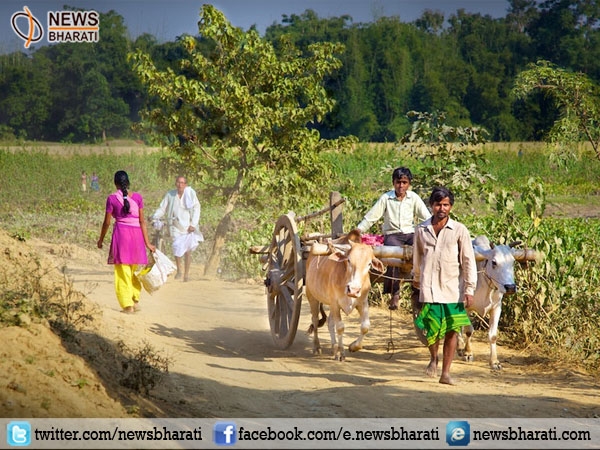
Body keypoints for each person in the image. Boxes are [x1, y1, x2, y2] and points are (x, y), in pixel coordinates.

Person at [412, 186, 477, 385]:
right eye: (438, 204)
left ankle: (446, 373)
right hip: (429, 288)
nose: (442, 208)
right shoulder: (421, 230)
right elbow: (417, 257)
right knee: (431, 330)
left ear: (451, 207)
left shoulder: (459, 230)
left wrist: (469, 289)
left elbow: (468, 260)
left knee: (452, 331)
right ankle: (434, 358)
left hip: (452, 290)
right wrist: (416, 279)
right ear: (431, 206)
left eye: (446, 205)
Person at [357, 166, 431, 310]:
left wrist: (435, 231)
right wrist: (358, 231)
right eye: (398, 182)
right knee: (392, 254)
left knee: (423, 250)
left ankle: (418, 287)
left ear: (409, 184)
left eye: (404, 182)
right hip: (392, 235)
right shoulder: (386, 198)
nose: (401, 186)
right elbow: (372, 217)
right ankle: (395, 293)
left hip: (410, 234)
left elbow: (426, 218)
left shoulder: (413, 198)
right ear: (393, 183)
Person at [97, 170, 156, 313]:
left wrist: (101, 239)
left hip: (121, 237)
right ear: (128, 182)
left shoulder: (112, 199)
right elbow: (142, 222)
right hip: (137, 237)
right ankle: (135, 300)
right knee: (133, 270)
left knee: (123, 272)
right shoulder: (138, 197)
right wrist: (147, 243)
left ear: (115, 183)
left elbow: (106, 222)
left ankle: (128, 305)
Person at [151, 176, 202, 282]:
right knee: (176, 247)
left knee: (187, 251)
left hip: (188, 226)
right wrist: (155, 216)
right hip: (175, 226)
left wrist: (193, 224)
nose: (180, 185)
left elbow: (197, 208)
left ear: (186, 184)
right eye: (178, 182)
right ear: (175, 184)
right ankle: (179, 270)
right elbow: (162, 208)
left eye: (182, 183)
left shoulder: (190, 194)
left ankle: (186, 274)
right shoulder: (170, 195)